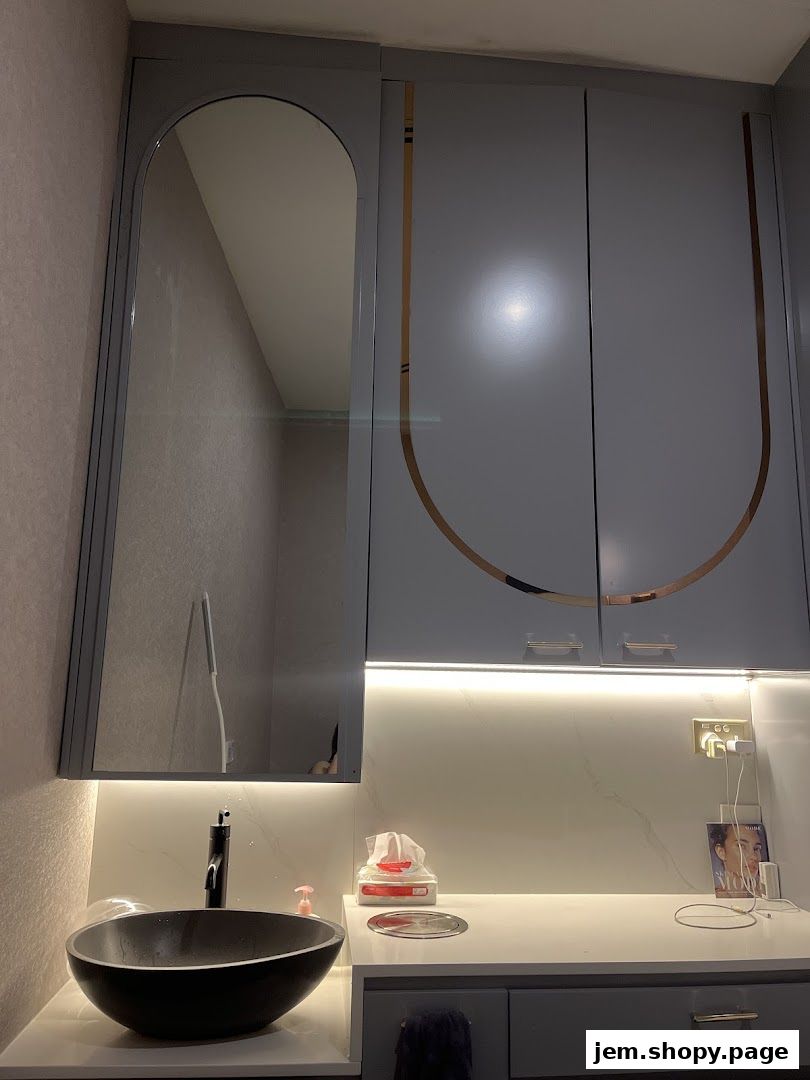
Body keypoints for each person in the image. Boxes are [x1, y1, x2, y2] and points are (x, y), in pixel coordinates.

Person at [709, 822, 765, 898]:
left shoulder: (762, 895)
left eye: (756, 848)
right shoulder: (716, 898)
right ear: (721, 852)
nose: (754, 857)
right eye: (741, 846)